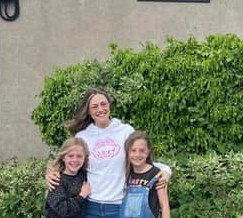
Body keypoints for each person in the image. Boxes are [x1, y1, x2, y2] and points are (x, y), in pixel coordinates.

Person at [46, 88, 171, 218]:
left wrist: (166, 170)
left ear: (109, 105)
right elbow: (71, 164)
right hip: (90, 206)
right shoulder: (83, 137)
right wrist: (52, 174)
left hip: (119, 206)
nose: (100, 109)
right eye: (94, 106)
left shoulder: (126, 131)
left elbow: (140, 160)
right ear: (88, 111)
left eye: (103, 104)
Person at [119, 131, 170, 218]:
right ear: (127, 152)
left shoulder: (156, 174)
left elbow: (165, 206)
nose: (137, 154)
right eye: (133, 150)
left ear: (148, 151)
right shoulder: (127, 173)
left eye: (142, 150)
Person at [45, 137, 92, 218]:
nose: (75, 160)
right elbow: (64, 211)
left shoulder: (85, 176)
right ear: (63, 157)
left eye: (79, 156)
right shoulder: (56, 180)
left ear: (85, 158)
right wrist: (82, 195)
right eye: (70, 156)